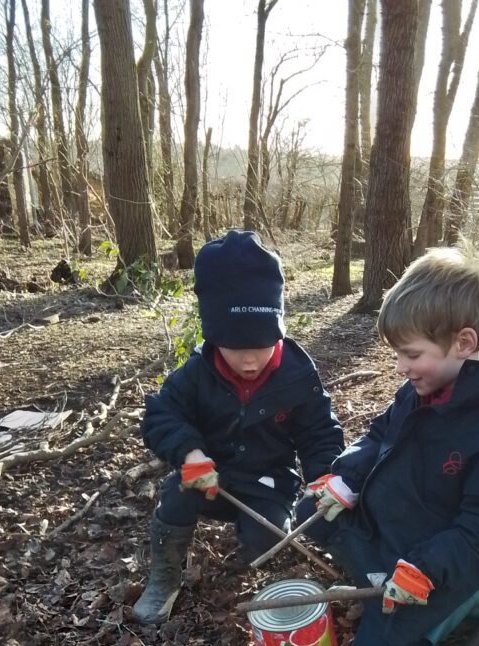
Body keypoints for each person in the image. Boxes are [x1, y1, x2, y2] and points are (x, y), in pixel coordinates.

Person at [297, 242, 479, 646]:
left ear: (463, 343)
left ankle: (457, 602)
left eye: (411, 354)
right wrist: (348, 477)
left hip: (432, 561)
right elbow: (379, 436)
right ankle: (376, 580)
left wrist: (428, 568)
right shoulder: (417, 392)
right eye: (398, 353)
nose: (399, 367)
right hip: (393, 530)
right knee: (312, 511)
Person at [134, 230, 344, 624]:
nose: (249, 361)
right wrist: (190, 454)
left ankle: (249, 553)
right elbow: (160, 415)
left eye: (261, 347)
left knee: (266, 541)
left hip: (269, 481)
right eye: (235, 349)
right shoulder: (196, 373)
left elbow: (320, 434)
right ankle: (165, 574)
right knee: (175, 496)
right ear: (214, 338)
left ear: (278, 332)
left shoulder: (298, 373)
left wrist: (323, 478)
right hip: (208, 476)